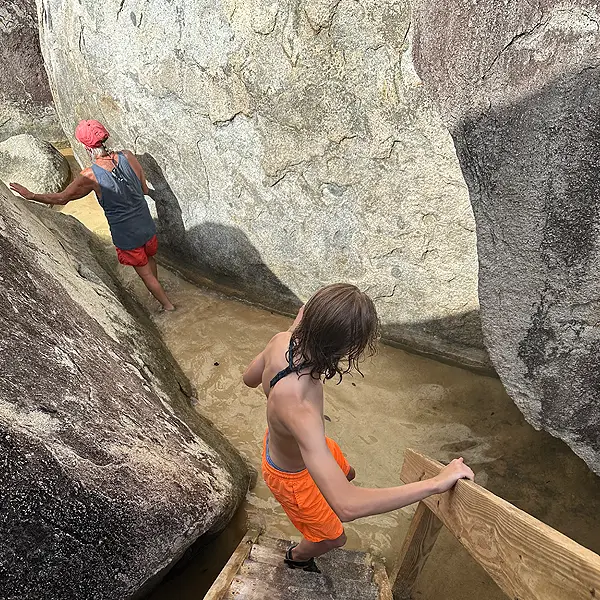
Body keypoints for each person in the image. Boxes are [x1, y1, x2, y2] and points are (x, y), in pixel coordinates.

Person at [243, 283, 474, 572]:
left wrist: (293, 331)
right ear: (349, 349)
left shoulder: (281, 341)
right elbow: (348, 507)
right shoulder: (300, 407)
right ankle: (296, 558)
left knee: (348, 473)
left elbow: (249, 379)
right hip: (291, 475)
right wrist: (435, 483)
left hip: (304, 445)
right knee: (333, 537)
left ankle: (328, 488)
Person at [10, 120, 174, 311]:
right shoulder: (128, 156)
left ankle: (167, 306)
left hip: (127, 234)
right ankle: (159, 293)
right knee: (149, 259)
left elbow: (63, 198)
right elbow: (144, 189)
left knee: (144, 274)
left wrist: (31, 195)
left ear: (86, 147)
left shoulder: (91, 175)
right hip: (146, 224)